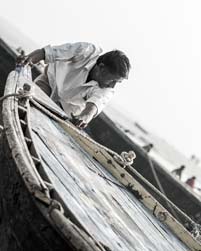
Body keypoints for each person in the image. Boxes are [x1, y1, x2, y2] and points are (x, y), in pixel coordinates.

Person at [21, 42, 131, 129]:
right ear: (101, 67)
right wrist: (28, 59)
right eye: (112, 80)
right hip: (49, 82)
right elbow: (50, 53)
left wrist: (84, 117)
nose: (113, 85)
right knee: (29, 104)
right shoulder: (85, 51)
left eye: (117, 82)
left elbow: (92, 108)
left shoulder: (107, 89)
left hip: (65, 110)